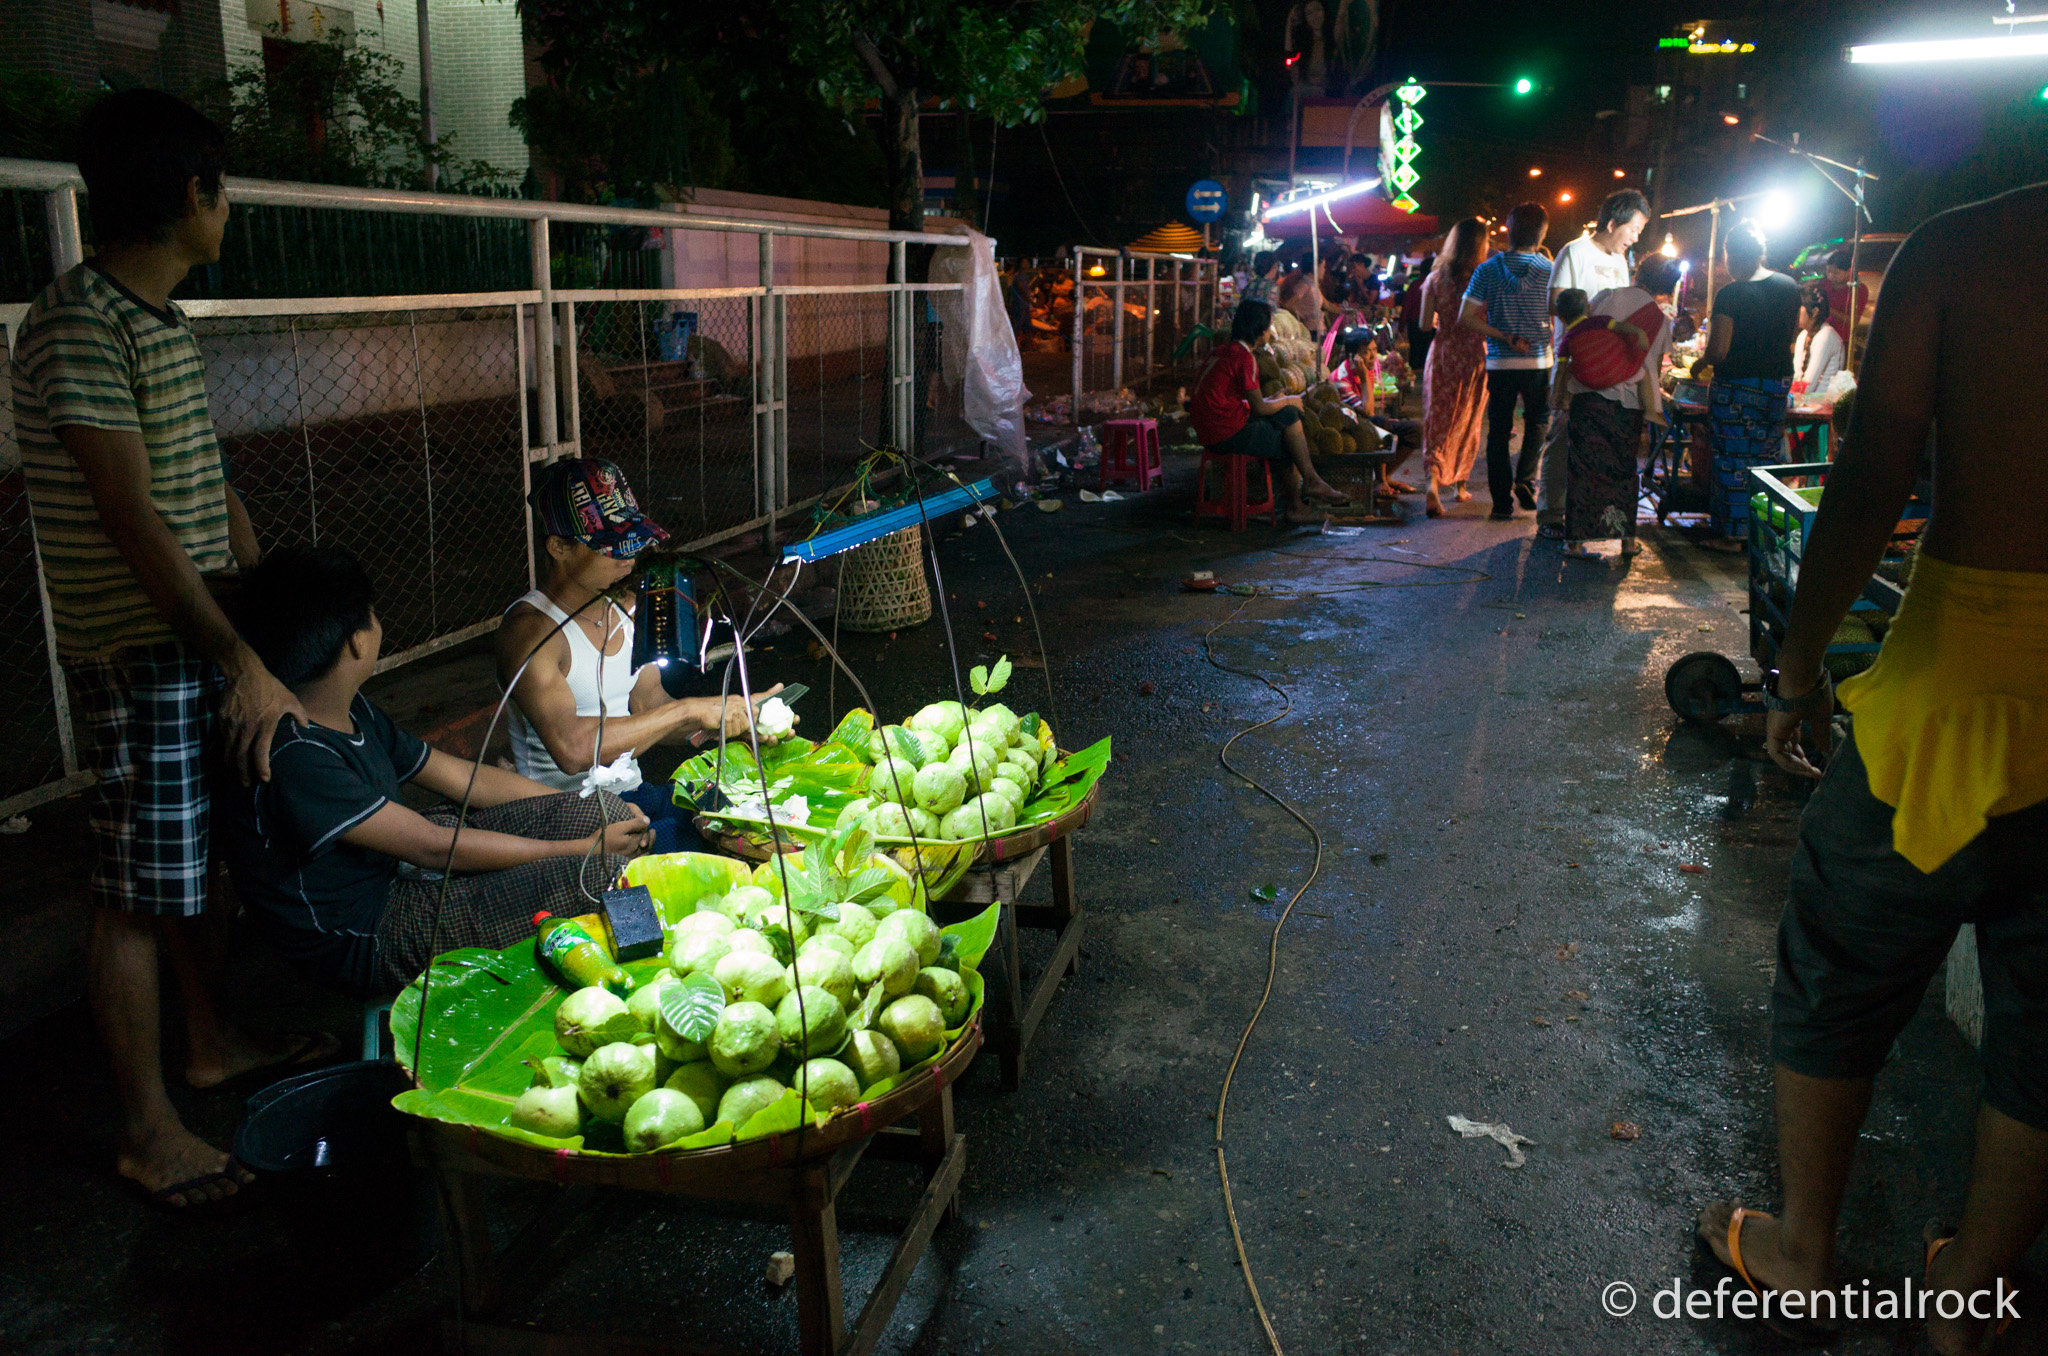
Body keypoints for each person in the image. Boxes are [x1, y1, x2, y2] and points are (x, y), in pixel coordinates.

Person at [1694, 181, 2048, 1356]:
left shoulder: (1966, 247)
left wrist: (1796, 667)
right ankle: (1968, 1294)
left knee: (1835, 966)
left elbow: (1871, 474)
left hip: (1953, 689)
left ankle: (1799, 1252)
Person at [12, 90, 328, 1208]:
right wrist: (235, 657)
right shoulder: (78, 324)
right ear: (193, 194)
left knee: (193, 865)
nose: (227, 208)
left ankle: (210, 1045)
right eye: (221, 188)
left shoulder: (157, 321)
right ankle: (147, 1131)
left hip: (195, 630)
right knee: (137, 890)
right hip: (139, 644)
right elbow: (129, 516)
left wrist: (258, 602)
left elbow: (204, 483)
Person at [214, 546, 665, 997]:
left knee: (606, 815)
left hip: (399, 869)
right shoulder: (296, 753)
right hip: (372, 932)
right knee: (603, 872)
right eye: (371, 614)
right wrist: (579, 849)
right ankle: (637, 992)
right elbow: (433, 847)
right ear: (355, 641)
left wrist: (590, 808)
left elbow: (465, 779)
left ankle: (615, 940)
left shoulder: (350, 710)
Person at [497, 458, 786, 858]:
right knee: (711, 849)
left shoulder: (629, 607)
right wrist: (689, 709)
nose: (628, 558)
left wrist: (723, 723)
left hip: (633, 795)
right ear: (559, 547)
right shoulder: (531, 632)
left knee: (756, 817)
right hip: (565, 819)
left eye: (632, 542)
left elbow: (650, 705)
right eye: (611, 546)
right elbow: (572, 748)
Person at [1538, 189, 1650, 537]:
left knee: (1600, 441)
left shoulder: (1621, 260)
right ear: (1613, 223)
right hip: (1574, 363)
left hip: (1609, 367)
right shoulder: (1574, 252)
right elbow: (1554, 303)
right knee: (1563, 437)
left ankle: (1589, 514)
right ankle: (1551, 513)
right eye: (1633, 229)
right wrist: (1596, 319)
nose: (1635, 238)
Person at [1558, 256, 1680, 560]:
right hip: (1629, 402)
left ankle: (1574, 541)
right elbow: (1654, 366)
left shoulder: (1607, 296)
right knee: (1623, 468)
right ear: (1666, 287)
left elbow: (1579, 331)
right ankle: (1626, 541)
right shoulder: (1659, 319)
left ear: (1639, 273)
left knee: (1583, 467)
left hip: (1587, 394)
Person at [1186, 299, 1351, 524]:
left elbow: (1236, 401)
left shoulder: (1222, 350)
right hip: (1224, 433)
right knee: (1289, 435)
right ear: (1260, 330)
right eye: (1269, 327)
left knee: (1287, 418)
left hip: (1208, 430)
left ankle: (1307, 488)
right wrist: (1288, 400)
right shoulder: (1245, 357)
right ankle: (1301, 497)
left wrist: (1275, 401)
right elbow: (1260, 408)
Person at [1702, 221, 1801, 550]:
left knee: (1733, 459)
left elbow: (1719, 350)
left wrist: (1700, 364)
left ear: (1730, 256)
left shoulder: (1730, 294)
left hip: (1736, 388)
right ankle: (1763, 534)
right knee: (1766, 458)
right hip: (1776, 385)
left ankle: (1734, 535)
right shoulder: (1789, 286)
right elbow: (1790, 335)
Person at [1459, 202, 1555, 520]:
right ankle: (1525, 478)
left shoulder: (1487, 269)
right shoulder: (1550, 270)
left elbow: (1466, 317)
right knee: (1538, 421)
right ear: (1542, 233)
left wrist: (1503, 336)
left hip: (1500, 363)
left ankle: (1501, 503)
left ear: (1510, 230)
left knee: (1499, 430)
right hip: (1538, 362)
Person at [1419, 222, 1488, 517]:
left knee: (1438, 417)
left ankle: (1432, 484)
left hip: (1443, 353)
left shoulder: (1435, 278)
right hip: (1474, 356)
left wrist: (1442, 320)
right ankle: (1460, 486)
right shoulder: (1484, 279)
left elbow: (1424, 325)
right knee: (1468, 418)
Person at [1793, 285, 1844, 394]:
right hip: (1803, 400)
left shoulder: (1827, 336)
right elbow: (1796, 377)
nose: (1794, 312)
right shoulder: (1802, 335)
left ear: (1815, 311)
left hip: (1821, 402)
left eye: (1798, 308)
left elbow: (1808, 386)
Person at [1820, 245, 1868, 350]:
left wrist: (1829, 309)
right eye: (1828, 271)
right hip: (1821, 336)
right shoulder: (1825, 284)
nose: (1830, 276)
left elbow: (1853, 321)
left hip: (1841, 341)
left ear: (1849, 271)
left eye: (1836, 273)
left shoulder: (1858, 290)